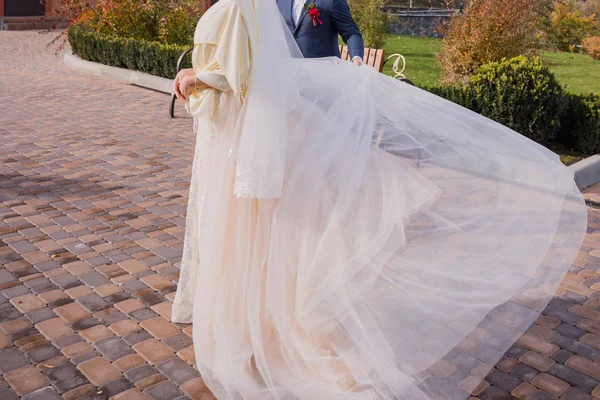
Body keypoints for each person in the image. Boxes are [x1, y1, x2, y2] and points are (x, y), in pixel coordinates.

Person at [170, 0, 587, 398]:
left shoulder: (307, 4)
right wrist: (203, 74)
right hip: (275, 109)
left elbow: (257, 65)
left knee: (290, 212)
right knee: (267, 224)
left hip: (305, 99)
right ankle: (257, 315)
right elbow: (251, 63)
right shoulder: (265, 6)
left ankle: (275, 317)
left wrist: (351, 62)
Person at [277, 0, 365, 66]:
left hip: (322, 75)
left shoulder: (332, 1)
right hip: (288, 74)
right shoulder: (280, 1)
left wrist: (356, 57)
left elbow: (351, 33)